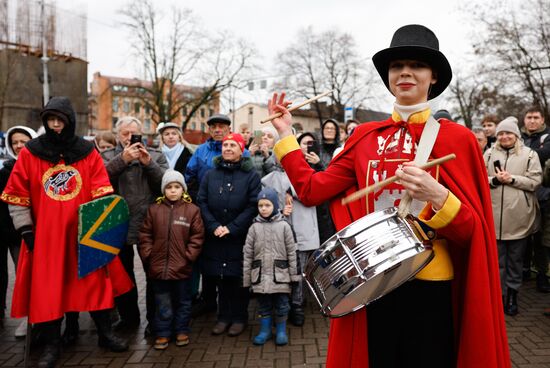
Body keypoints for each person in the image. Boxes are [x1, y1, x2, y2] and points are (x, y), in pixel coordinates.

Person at [267, 24, 509, 368]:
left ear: (434, 76)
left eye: (417, 65)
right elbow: (310, 189)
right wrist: (285, 134)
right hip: (375, 282)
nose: (405, 72)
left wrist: (439, 196)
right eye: (397, 66)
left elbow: (474, 232)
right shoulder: (364, 137)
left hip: (433, 280)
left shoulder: (460, 140)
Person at [1, 97, 132, 367]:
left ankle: (105, 334)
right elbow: (19, 196)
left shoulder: (87, 152)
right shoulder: (30, 153)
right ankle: (52, 344)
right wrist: (26, 230)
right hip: (46, 238)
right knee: (48, 291)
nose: (56, 124)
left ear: (70, 120)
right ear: (45, 121)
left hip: (84, 234)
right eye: (51, 119)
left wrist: (100, 232)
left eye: (61, 119)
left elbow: (102, 193)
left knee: (95, 284)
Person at [101, 116, 168, 334]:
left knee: (153, 273)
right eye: (125, 134)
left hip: (148, 222)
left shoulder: (156, 155)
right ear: (118, 134)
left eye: (134, 134)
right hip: (117, 223)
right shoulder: (107, 156)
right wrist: (122, 160)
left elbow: (166, 185)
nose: (130, 138)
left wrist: (149, 164)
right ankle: (129, 319)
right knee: (123, 274)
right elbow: (98, 180)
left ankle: (154, 320)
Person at [197, 133, 261, 337]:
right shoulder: (210, 174)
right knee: (220, 278)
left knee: (238, 279)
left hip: (238, 236)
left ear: (241, 149)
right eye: (225, 145)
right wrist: (214, 225)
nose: (228, 148)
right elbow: (202, 201)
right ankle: (223, 317)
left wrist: (232, 227)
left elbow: (253, 205)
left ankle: (239, 317)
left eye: (233, 145)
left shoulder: (251, 175)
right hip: (215, 235)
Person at [185, 114, 249, 315]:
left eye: (221, 126)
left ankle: (232, 305)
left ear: (229, 129)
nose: (217, 130)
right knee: (208, 256)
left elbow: (248, 179)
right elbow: (190, 176)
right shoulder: (201, 151)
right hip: (208, 214)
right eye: (214, 127)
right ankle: (209, 298)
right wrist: (200, 200)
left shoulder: (242, 151)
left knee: (233, 258)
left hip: (234, 214)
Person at [138, 170, 204, 349]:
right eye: (169, 187)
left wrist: (188, 256)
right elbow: (145, 235)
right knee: (162, 302)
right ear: (163, 190)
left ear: (183, 189)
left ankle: (181, 330)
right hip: (158, 269)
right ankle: (163, 333)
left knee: (183, 302)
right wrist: (149, 255)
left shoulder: (192, 210)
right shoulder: (154, 210)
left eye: (177, 187)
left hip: (182, 268)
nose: (173, 191)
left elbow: (197, 237)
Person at [484, 117, 542, 316]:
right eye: (500, 133)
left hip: (519, 217)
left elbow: (535, 181)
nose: (504, 136)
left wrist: (512, 179)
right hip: (493, 216)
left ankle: (512, 295)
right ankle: (498, 296)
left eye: (508, 133)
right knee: (497, 261)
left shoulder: (529, 154)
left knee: (515, 260)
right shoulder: (489, 153)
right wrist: (495, 180)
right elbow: (480, 177)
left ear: (516, 135)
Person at [261, 153, 320, 327]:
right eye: (279, 155)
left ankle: (297, 306)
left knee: (299, 273)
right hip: (280, 232)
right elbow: (264, 205)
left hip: (303, 230)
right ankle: (282, 307)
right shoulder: (267, 179)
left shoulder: (307, 174)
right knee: (282, 270)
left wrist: (292, 191)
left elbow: (315, 193)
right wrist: (279, 212)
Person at [243, 188, 299, 346]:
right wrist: (247, 279)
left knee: (282, 305)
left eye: (267, 205)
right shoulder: (254, 228)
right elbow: (247, 254)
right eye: (260, 205)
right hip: (260, 277)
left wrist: (294, 277)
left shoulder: (284, 226)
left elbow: (292, 252)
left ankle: (281, 331)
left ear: (274, 205)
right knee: (263, 306)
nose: (263, 208)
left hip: (280, 276)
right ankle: (265, 331)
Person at [0, 125, 36, 333]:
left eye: (23, 141)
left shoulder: (38, 167)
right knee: (14, 276)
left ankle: (34, 316)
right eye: (15, 143)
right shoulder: (5, 170)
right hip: (8, 230)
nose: (19, 146)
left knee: (28, 275)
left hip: (27, 231)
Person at [520, 105, 550, 293]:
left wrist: (522, 156)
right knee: (522, 237)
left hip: (544, 197)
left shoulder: (548, 137)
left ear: (542, 120)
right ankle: (523, 271)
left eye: (535, 117)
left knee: (542, 240)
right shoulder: (517, 137)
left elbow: (542, 155)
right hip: (521, 197)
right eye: (529, 117)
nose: (532, 120)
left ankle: (542, 275)